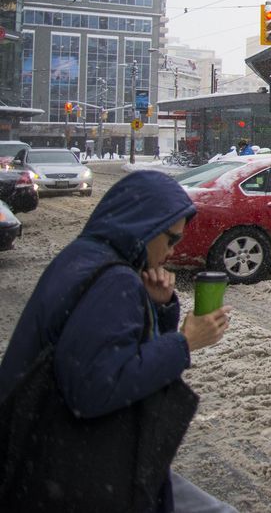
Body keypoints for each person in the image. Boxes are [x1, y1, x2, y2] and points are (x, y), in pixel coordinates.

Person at [0, 170, 234, 511]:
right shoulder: (115, 282)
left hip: (37, 450)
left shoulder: (84, 256)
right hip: (74, 465)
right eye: (170, 240)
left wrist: (158, 308)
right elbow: (95, 388)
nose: (171, 252)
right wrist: (185, 342)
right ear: (146, 226)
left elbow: (115, 347)